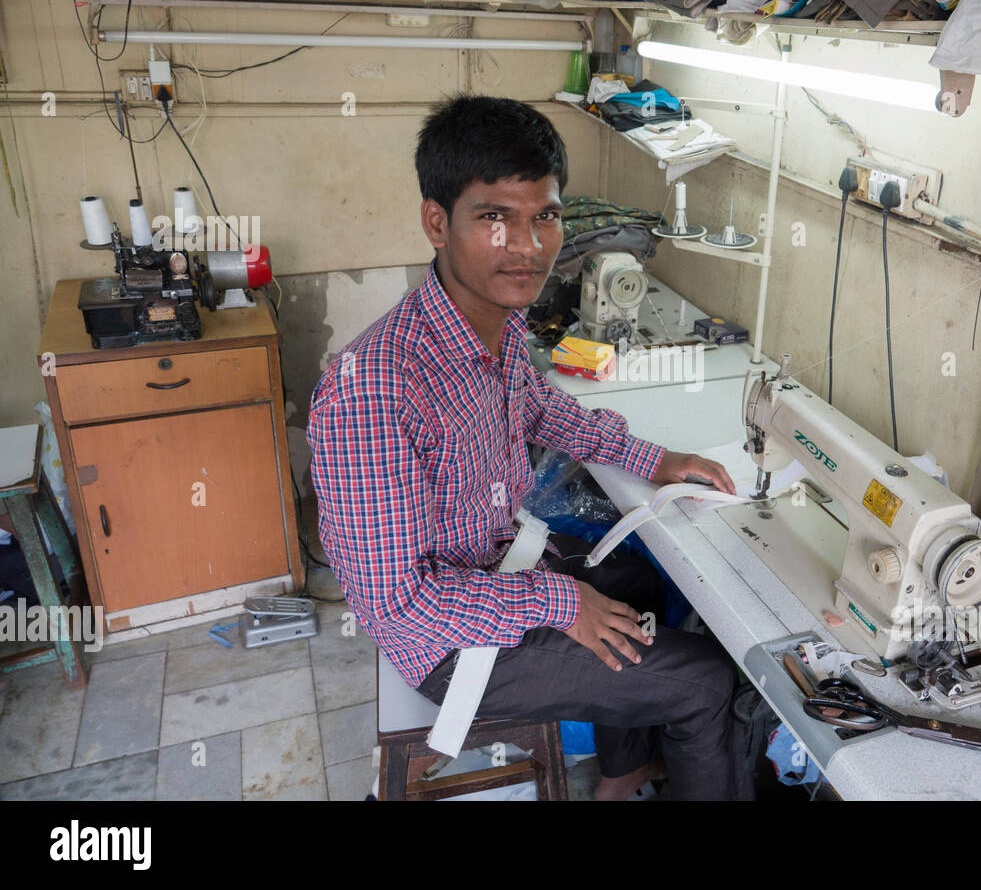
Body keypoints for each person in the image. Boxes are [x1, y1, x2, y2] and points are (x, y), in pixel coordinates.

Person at [307, 95, 754, 800]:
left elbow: (544, 409)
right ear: (437, 222)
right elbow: (398, 605)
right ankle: (675, 734)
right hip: (449, 645)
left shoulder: (496, 324)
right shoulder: (373, 394)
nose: (527, 245)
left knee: (637, 582)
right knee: (704, 681)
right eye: (494, 217)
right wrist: (559, 603)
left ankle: (622, 770)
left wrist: (656, 460)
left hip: (499, 563)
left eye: (543, 215)